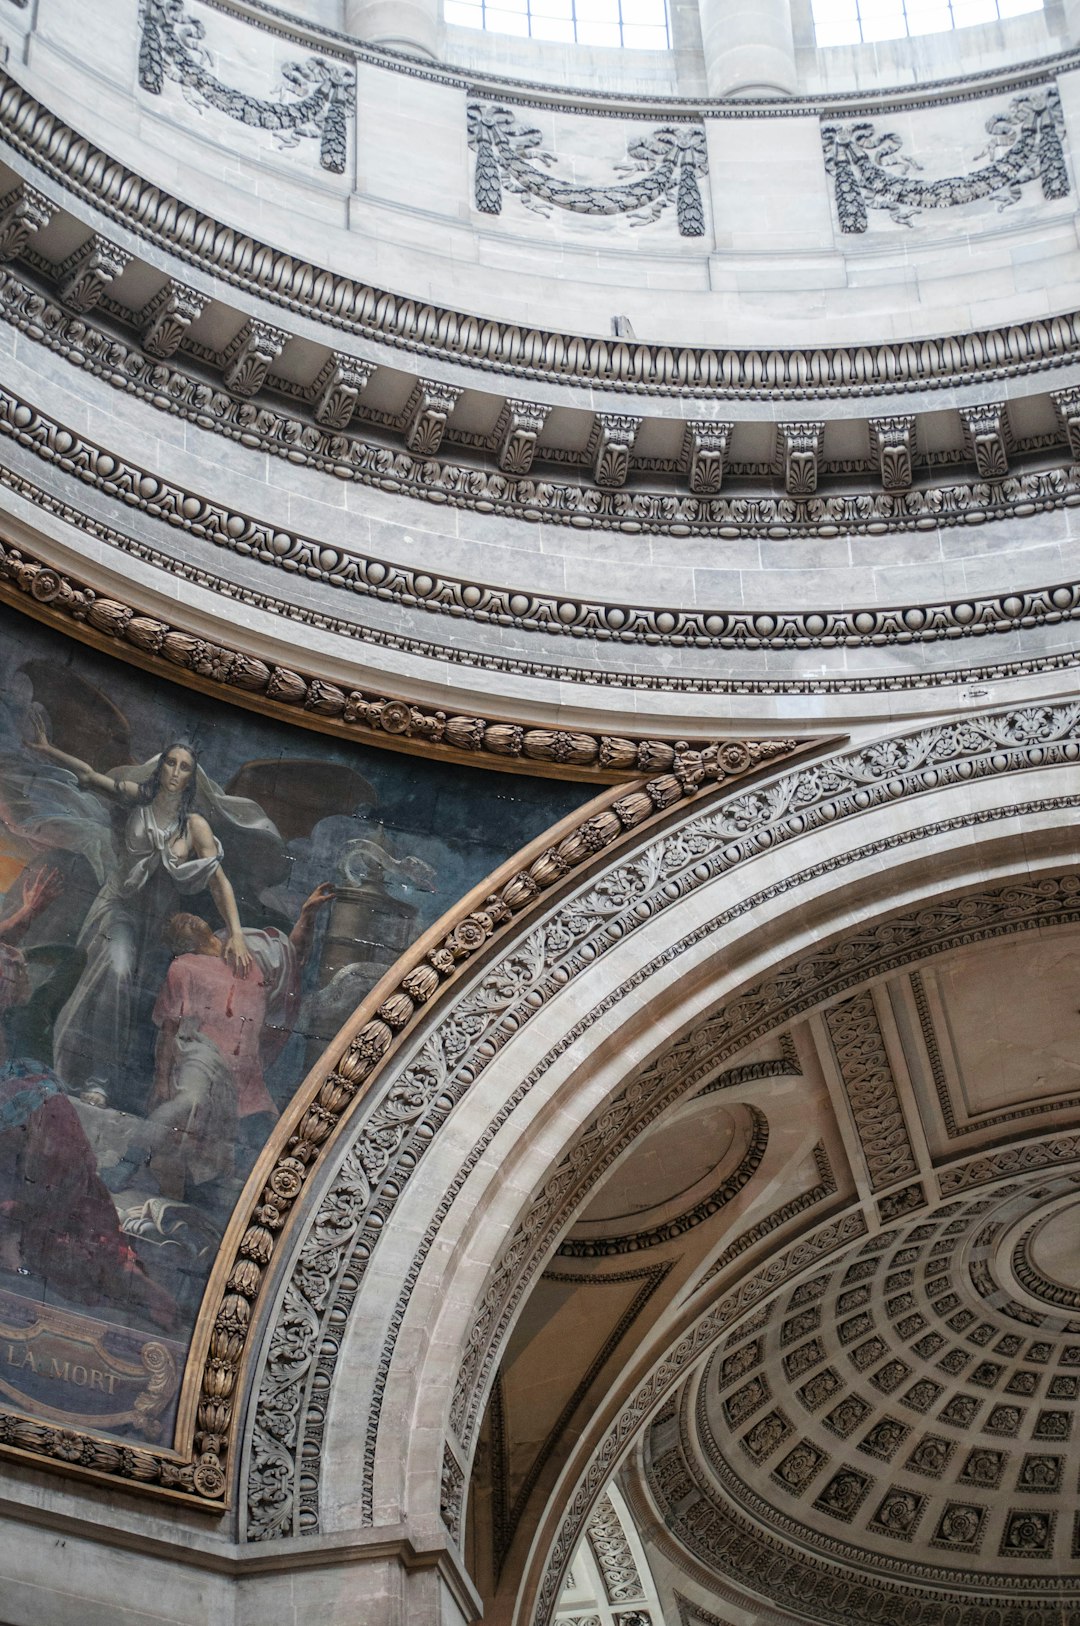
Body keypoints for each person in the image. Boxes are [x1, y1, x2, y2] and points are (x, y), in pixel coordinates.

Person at [25, 725, 262, 1107]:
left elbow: (218, 882)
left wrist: (235, 933)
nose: (175, 771)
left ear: (191, 777)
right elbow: (88, 775)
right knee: (116, 973)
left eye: (184, 767)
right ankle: (93, 1078)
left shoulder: (195, 825)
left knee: (147, 1003)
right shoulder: (139, 799)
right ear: (160, 767)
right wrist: (49, 748)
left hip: (158, 927)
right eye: (170, 763)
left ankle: (122, 1085)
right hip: (118, 906)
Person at [0, 865, 175, 1328]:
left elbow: (72, 959)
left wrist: (23, 948)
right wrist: (22, 922)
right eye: (8, 965)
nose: (17, 970)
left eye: (20, 967)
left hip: (38, 1114)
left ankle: (119, 1268)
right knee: (50, 1148)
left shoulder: (34, 1009)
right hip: (21, 1115)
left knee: (75, 1177)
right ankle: (15, 1239)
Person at [149, 883, 335, 1196]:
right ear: (181, 944)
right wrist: (161, 1079)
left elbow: (291, 958)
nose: (187, 919)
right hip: (204, 1064)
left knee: (270, 1158)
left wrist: (307, 916)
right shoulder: (184, 968)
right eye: (179, 925)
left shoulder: (249, 954)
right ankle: (147, 1156)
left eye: (188, 916)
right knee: (188, 1113)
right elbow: (168, 1030)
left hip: (247, 1080)